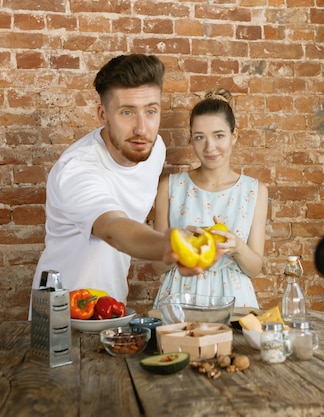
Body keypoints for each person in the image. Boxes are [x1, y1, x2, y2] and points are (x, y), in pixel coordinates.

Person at [31, 54, 209, 306]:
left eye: (150, 111)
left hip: (113, 306)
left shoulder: (154, 148)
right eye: (127, 112)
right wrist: (170, 246)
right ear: (102, 114)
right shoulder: (76, 170)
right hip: (62, 312)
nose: (141, 128)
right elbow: (113, 228)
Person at [152, 88, 269, 309]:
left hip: (235, 303)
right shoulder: (170, 187)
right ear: (191, 139)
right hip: (179, 300)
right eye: (199, 137)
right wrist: (177, 244)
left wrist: (237, 247)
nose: (210, 147)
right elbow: (158, 267)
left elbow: (254, 269)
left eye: (219, 135)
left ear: (234, 136)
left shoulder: (254, 190)